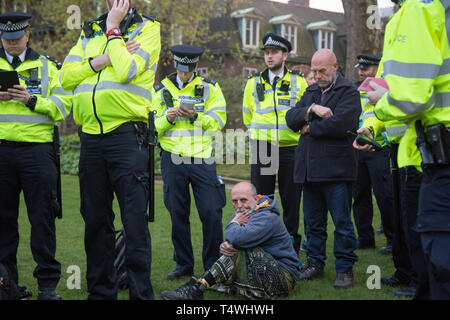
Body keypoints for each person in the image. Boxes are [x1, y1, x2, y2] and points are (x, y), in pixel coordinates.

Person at [60, 0, 161, 300]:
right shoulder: (90, 31)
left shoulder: (148, 28)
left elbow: (129, 69)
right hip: (90, 138)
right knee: (95, 221)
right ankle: (101, 293)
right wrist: (102, 60)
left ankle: (141, 295)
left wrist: (114, 29)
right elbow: (64, 78)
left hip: (127, 137)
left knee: (134, 222)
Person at [366, 0, 450, 300]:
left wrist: (381, 101)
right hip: (418, 153)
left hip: (435, 161)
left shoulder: (418, 10)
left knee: (438, 264)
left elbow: (411, 98)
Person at [0, 12, 72, 300]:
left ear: (28, 35)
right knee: (3, 222)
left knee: (42, 219)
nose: (12, 44)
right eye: (6, 39)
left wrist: (31, 100)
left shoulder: (48, 66)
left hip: (37, 153)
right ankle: (7, 286)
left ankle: (47, 286)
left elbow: (63, 105)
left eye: (17, 39)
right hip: (2, 152)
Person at [151, 44, 227, 281]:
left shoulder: (210, 88)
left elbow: (218, 123)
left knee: (212, 213)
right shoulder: (160, 89)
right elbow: (153, 125)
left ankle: (213, 265)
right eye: (181, 69)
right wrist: (168, 117)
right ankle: (183, 264)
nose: (184, 73)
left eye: (189, 69)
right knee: (177, 213)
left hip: (202, 158)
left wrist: (196, 116)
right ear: (175, 64)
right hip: (172, 159)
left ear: (195, 67)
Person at [286, 49, 360, 289]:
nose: (317, 75)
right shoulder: (311, 92)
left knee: (342, 223)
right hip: (310, 170)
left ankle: (344, 269)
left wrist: (308, 128)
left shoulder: (348, 92)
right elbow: (290, 118)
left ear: (335, 67)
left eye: (322, 71)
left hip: (337, 170)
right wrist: (311, 110)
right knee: (313, 223)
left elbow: (342, 125)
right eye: (314, 71)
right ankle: (315, 264)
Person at [160, 181, 301, 300]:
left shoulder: (266, 217)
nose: (239, 205)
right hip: (262, 270)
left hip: (284, 278)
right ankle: (202, 286)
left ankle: (197, 288)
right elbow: (232, 239)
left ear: (257, 199)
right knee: (236, 249)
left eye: (243, 200)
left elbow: (237, 238)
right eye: (235, 201)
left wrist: (234, 226)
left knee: (240, 247)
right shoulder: (245, 213)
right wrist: (224, 245)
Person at [354, 60, 424, 299]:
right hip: (394, 148)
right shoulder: (388, 60)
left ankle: (418, 278)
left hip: (416, 149)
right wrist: (370, 128)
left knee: (411, 218)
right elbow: (378, 108)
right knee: (398, 215)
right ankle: (403, 271)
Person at [242, 33, 308, 254]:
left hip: (291, 147)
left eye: (274, 52)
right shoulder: (252, 82)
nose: (269, 57)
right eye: (266, 53)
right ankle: (261, 247)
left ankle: (290, 251)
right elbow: (247, 115)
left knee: (291, 202)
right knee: (261, 200)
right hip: (263, 148)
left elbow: (304, 111)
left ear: (285, 55)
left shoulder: (299, 81)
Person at [353, 54, 395, 254]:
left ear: (376, 68)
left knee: (384, 195)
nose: (362, 72)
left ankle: (393, 239)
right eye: (360, 68)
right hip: (359, 147)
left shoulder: (381, 86)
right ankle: (365, 238)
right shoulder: (358, 88)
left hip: (378, 147)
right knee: (360, 194)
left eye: (366, 68)